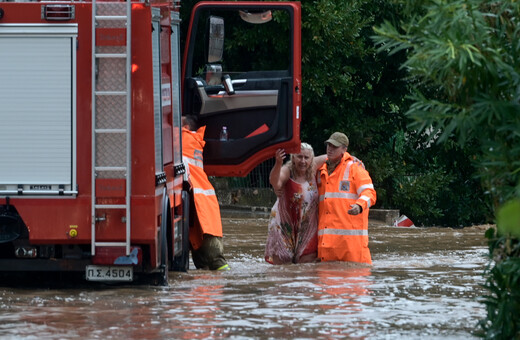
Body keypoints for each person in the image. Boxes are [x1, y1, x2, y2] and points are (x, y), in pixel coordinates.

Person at [316, 132, 377, 265]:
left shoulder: (355, 168)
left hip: (352, 251)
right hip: (326, 249)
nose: (330, 149)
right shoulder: (321, 170)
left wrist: (359, 205)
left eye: (335, 146)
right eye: (329, 145)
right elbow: (302, 164)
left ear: (344, 149)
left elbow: (369, 193)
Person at [264, 143, 325, 264]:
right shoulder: (288, 171)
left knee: (306, 264)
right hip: (284, 224)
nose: (303, 161)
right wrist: (278, 163)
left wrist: (352, 160)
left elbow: (334, 155)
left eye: (306, 158)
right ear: (293, 158)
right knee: (283, 264)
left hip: (307, 226)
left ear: (311, 159)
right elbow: (275, 182)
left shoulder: (313, 168)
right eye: (299, 157)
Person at [182, 115, 229, 271]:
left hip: (198, 199)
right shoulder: (195, 140)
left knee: (212, 261)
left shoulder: (185, 138)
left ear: (186, 128)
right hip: (204, 202)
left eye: (178, 123)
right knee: (210, 262)